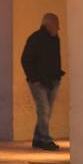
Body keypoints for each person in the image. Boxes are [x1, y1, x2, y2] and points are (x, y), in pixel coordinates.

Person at [21, 12, 65, 151]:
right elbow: (25, 60)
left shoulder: (55, 39)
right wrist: (34, 78)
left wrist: (57, 76)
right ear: (49, 25)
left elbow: (55, 59)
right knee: (44, 109)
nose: (58, 29)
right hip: (38, 82)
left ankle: (38, 138)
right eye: (56, 26)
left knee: (46, 111)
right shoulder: (35, 39)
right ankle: (45, 139)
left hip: (52, 81)